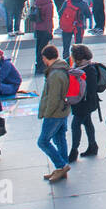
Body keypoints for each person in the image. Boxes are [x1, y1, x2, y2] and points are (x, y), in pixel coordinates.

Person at [37, 45, 71, 182]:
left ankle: (61, 166)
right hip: (63, 111)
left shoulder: (55, 74)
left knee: (43, 141)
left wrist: (47, 113)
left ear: (45, 58)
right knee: (60, 139)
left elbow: (53, 97)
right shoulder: (61, 68)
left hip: (55, 113)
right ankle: (61, 169)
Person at [66, 44, 103, 161]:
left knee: (75, 125)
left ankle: (73, 151)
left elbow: (90, 90)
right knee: (87, 123)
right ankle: (93, 146)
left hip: (84, 104)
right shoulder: (81, 67)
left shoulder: (89, 70)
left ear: (78, 58)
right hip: (85, 103)